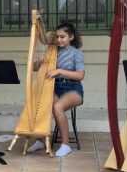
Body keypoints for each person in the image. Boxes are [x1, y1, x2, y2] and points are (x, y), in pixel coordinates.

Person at [28, 22, 85, 158]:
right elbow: (36, 69)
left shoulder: (76, 53)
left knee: (57, 107)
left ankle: (66, 145)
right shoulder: (52, 51)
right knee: (41, 103)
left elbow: (80, 75)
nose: (59, 40)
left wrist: (59, 70)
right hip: (55, 87)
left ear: (71, 37)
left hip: (73, 88)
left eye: (63, 37)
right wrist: (36, 62)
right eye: (57, 37)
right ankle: (41, 140)